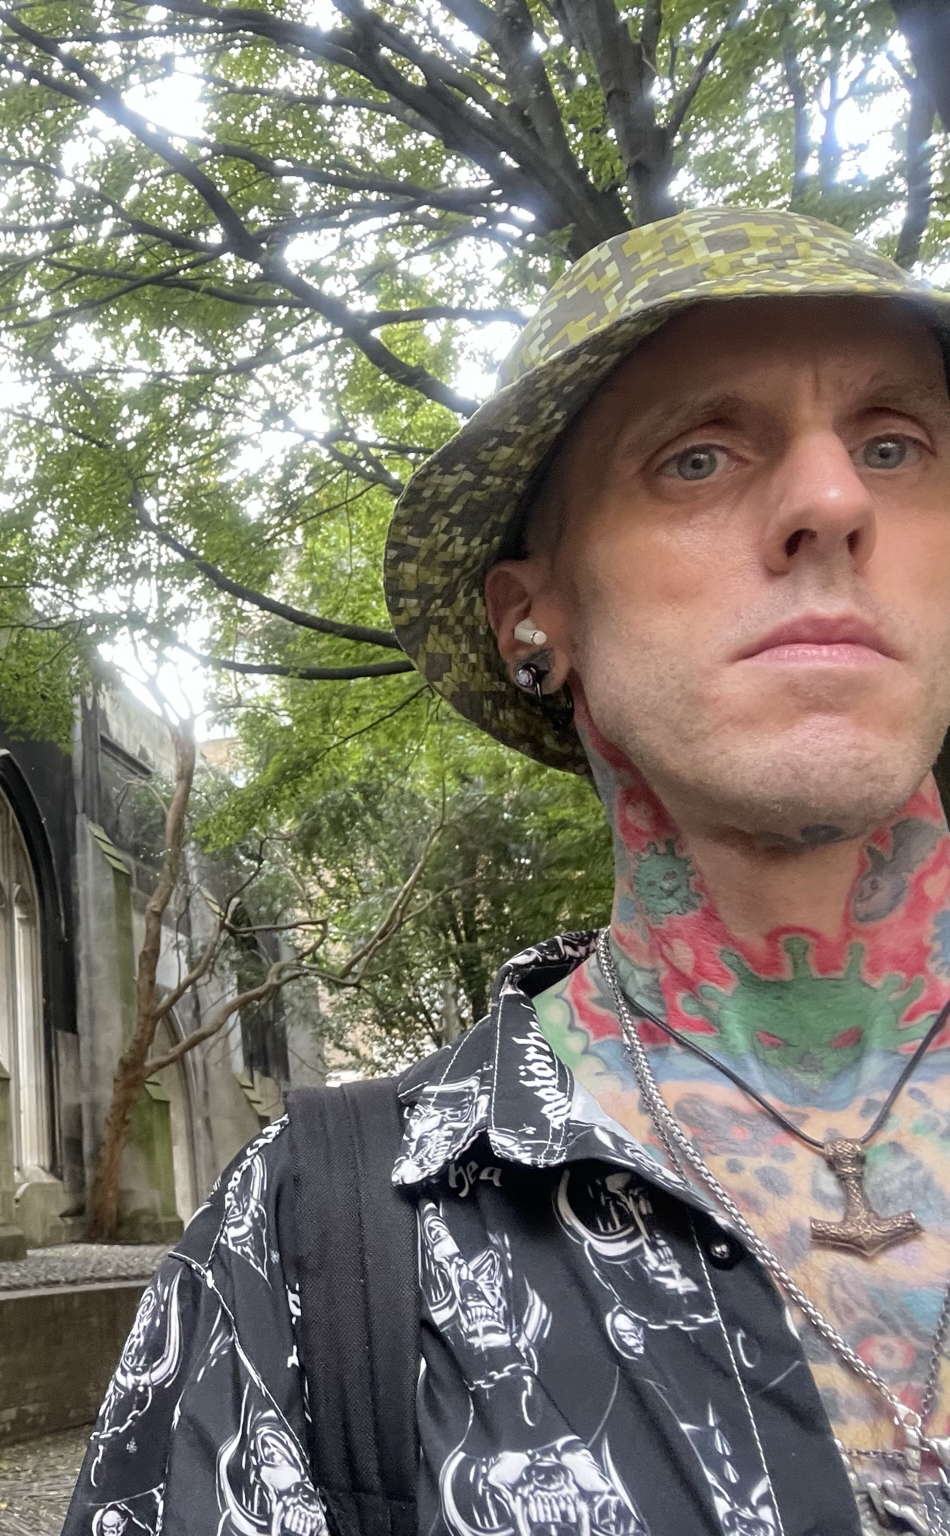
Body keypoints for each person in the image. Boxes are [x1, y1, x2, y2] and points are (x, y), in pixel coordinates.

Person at [61, 208, 950, 1536]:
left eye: (894, 446)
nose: (832, 502)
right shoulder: (314, 1247)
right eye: (698, 458)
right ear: (533, 618)